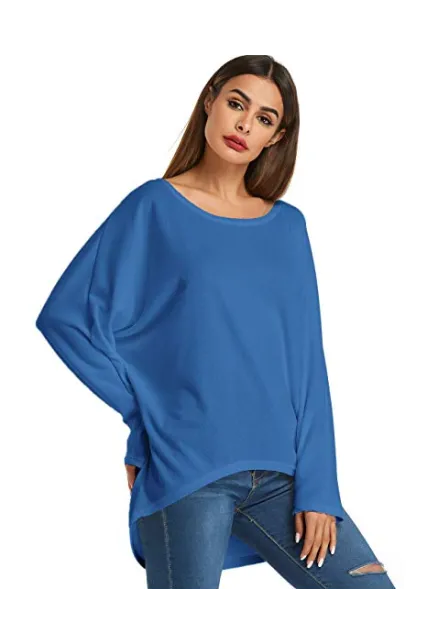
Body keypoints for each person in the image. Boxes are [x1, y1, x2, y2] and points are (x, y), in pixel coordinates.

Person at [35, 51, 396, 591]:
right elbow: (67, 319)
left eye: (264, 118)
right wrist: (143, 418)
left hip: (281, 474)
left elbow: (306, 363)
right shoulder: (153, 206)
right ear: (210, 101)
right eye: (236, 103)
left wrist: (321, 489)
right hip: (186, 471)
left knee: (371, 597)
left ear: (275, 137)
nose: (245, 124)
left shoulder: (287, 227)